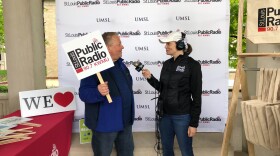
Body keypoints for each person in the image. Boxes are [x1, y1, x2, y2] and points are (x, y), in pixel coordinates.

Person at [142, 31, 202, 156]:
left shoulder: (193, 65)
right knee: (167, 151)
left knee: (186, 151)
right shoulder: (166, 64)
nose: (165, 46)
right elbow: (163, 89)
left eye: (169, 43)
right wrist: (150, 78)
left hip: (183, 117)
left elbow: (196, 97)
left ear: (180, 45)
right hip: (165, 117)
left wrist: (193, 123)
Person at [79, 32, 135, 156]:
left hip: (125, 123)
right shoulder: (92, 68)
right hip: (105, 125)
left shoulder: (121, 64)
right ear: (108, 48)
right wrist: (97, 91)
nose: (122, 47)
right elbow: (84, 93)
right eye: (119, 44)